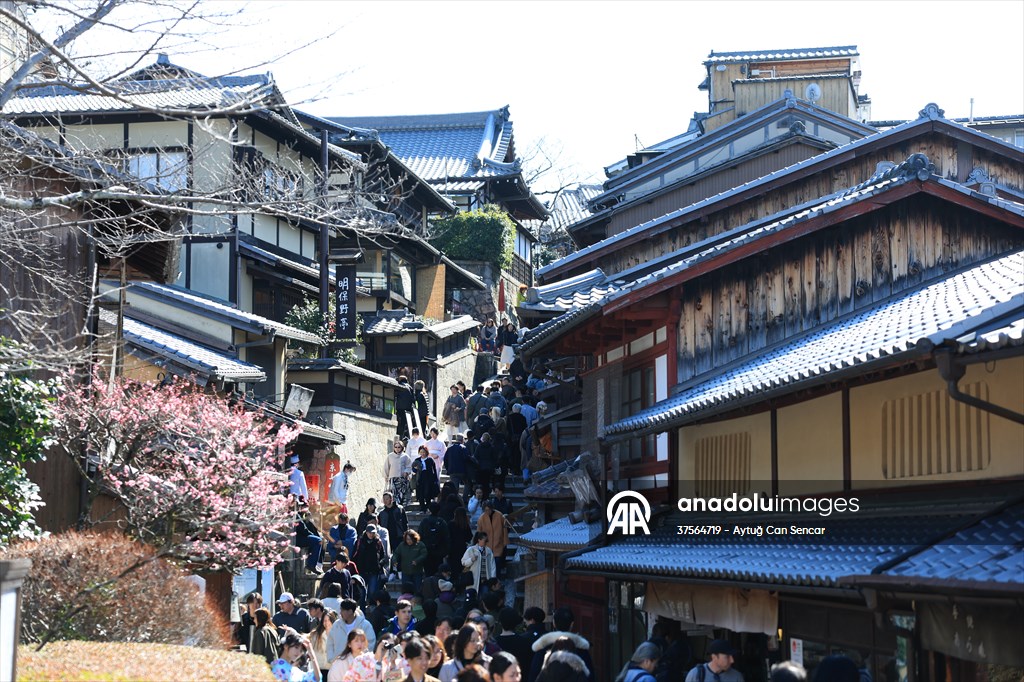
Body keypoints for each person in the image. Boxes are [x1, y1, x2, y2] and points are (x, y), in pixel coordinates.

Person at [527, 608, 595, 682]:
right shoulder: (581, 650)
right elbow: (589, 677)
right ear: (572, 624)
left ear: (554, 623)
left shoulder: (543, 648)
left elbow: (534, 674)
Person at [352, 524, 389, 598]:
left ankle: (370, 606)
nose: (371, 534)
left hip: (374, 571)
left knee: (372, 592)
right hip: (361, 570)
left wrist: (379, 565)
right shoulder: (360, 542)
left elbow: (383, 556)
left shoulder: (378, 542)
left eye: (373, 533)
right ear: (366, 532)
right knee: (362, 592)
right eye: (369, 532)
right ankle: (362, 607)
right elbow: (354, 556)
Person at [476, 500, 509, 578]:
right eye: (485, 510)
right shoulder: (481, 519)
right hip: (487, 545)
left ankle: (497, 580)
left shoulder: (500, 515)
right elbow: (479, 533)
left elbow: (504, 530)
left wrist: (505, 542)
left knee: (497, 562)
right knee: (489, 565)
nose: (487, 511)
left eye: (488, 509)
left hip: (498, 543)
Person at [392, 529, 428, 594]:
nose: (409, 541)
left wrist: (417, 561)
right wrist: (394, 560)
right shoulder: (402, 545)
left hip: (417, 571)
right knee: (406, 590)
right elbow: (396, 554)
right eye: (407, 539)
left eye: (410, 539)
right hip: (405, 571)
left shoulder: (420, 545)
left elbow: (424, 554)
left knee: (417, 590)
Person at [295, 510, 325, 576]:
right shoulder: (296, 515)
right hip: (298, 538)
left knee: (318, 540)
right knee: (318, 541)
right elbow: (303, 529)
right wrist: (312, 535)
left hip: (299, 537)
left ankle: (315, 563)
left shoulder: (297, 515)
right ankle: (311, 564)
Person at [311, 608, 338, 680]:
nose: (327, 623)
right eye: (325, 620)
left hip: (333, 669)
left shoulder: (339, 635)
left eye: (329, 620)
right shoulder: (315, 635)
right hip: (319, 668)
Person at [386, 442, 414, 507]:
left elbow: (409, 466)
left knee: (403, 495)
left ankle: (403, 508)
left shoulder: (405, 456)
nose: (397, 449)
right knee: (394, 494)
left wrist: (406, 472)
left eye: (399, 447)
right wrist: (386, 476)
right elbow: (386, 467)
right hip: (393, 479)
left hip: (403, 479)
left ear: (402, 448)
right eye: (396, 447)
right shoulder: (390, 456)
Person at [414, 446, 440, 510]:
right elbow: (414, 470)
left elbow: (434, 469)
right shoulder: (417, 460)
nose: (422, 453)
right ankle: (422, 506)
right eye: (421, 452)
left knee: (427, 491)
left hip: (428, 477)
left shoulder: (430, 460)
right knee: (420, 492)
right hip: (420, 477)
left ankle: (428, 505)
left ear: (426, 452)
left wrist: (435, 478)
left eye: (423, 452)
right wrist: (415, 469)